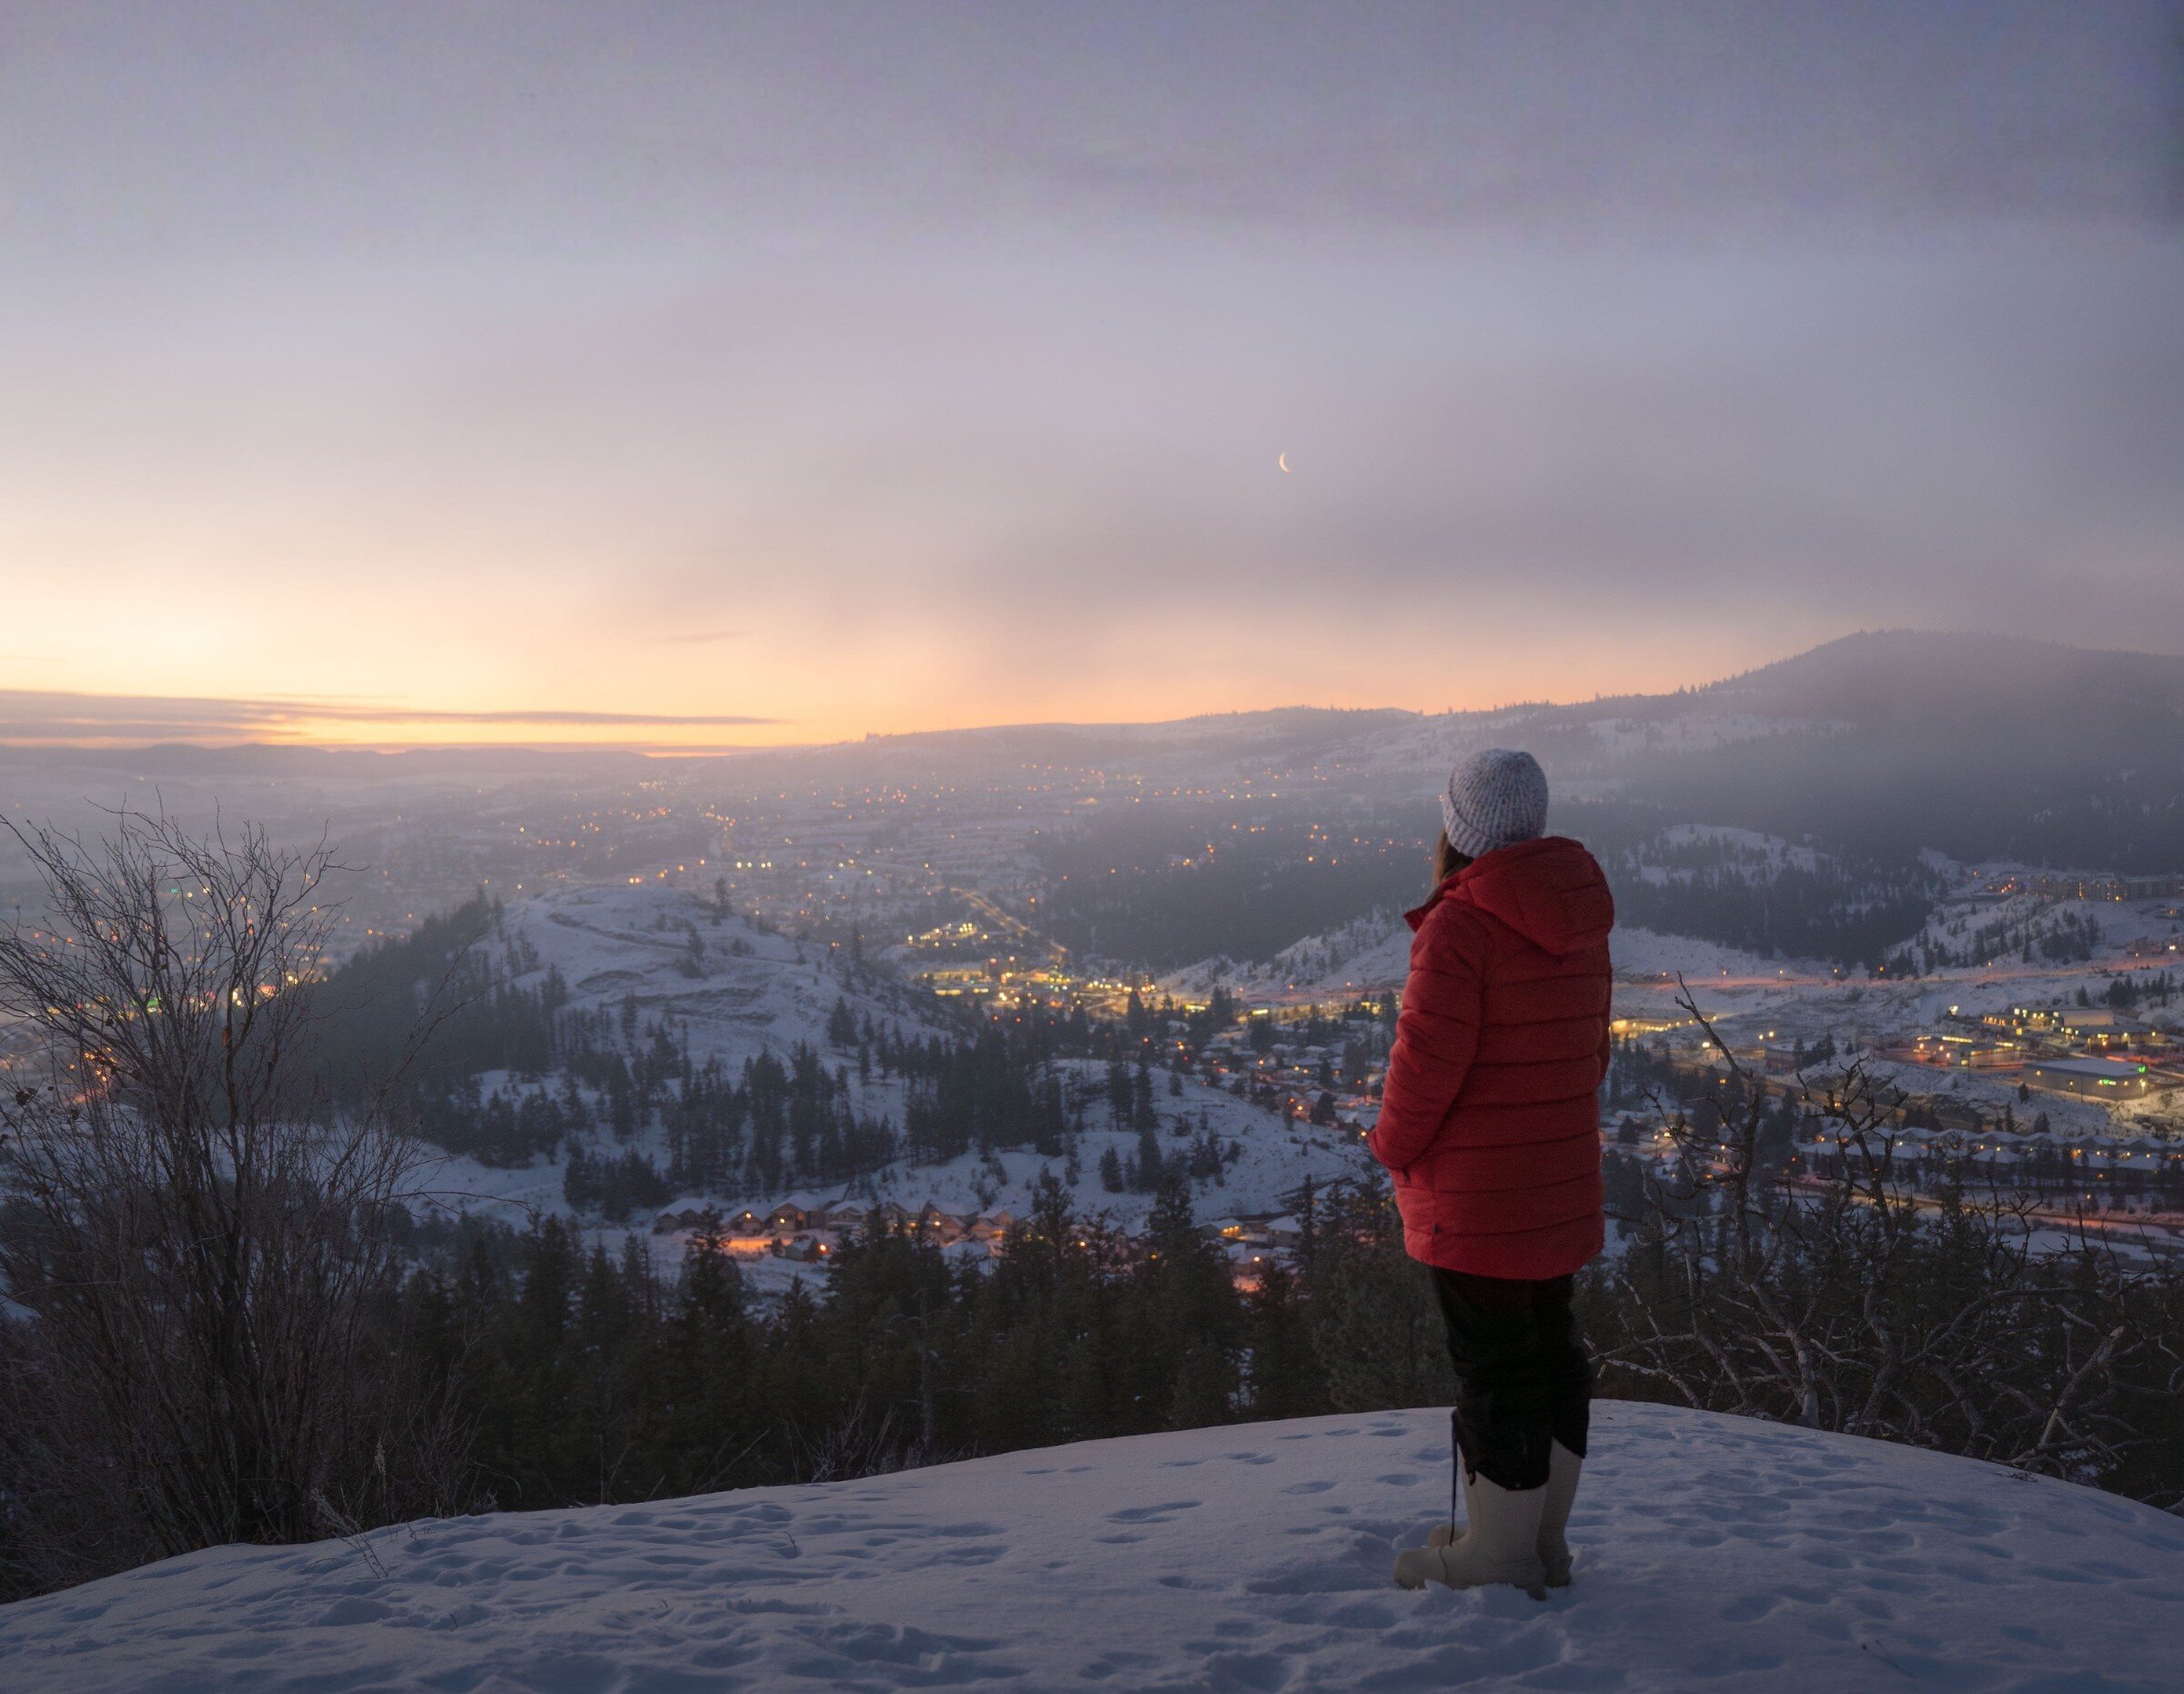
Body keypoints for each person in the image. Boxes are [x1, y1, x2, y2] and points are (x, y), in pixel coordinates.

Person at [1368, 747, 1614, 1593]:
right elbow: (1591, 1057)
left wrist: (1389, 1147)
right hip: (1556, 1188)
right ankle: (1537, 1539)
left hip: (1476, 1203)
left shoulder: (1460, 927)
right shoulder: (1578, 916)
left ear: (1457, 828)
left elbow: (1422, 1071)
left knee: (1495, 1369)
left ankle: (1498, 1556)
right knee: (1550, 1354)